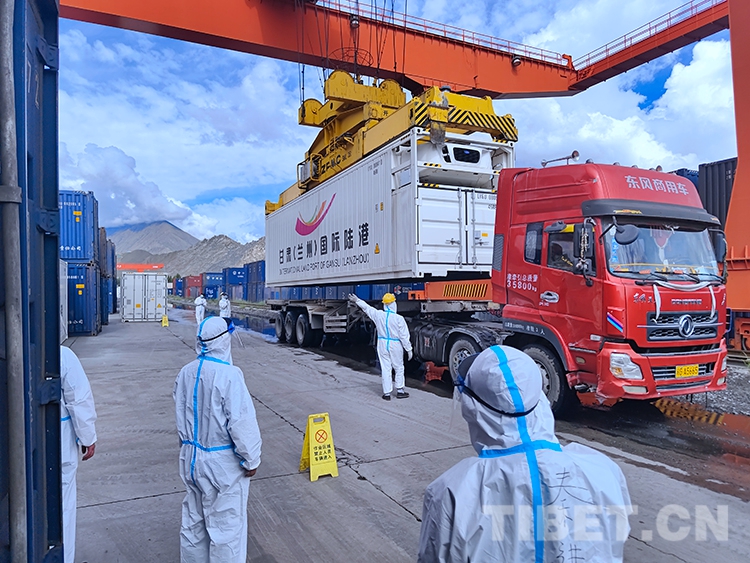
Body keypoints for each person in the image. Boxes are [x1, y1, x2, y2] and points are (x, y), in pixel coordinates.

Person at [418, 345, 631, 563]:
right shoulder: (603, 471)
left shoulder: (452, 492)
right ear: (541, 399)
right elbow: (615, 541)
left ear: (473, 410)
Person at [174, 316, 262, 562]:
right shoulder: (230, 375)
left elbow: (180, 413)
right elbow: (241, 423)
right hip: (222, 464)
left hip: (191, 459)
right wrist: (251, 459)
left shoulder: (185, 372)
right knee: (226, 530)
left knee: (193, 525)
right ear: (223, 341)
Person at [60, 346, 98, 563]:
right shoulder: (63, 355)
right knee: (63, 505)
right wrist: (87, 437)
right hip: (59, 444)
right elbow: (79, 398)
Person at [349, 292, 413, 400]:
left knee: (386, 368)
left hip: (382, 343)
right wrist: (409, 349)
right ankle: (400, 391)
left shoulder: (379, 315)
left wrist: (357, 300)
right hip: (395, 344)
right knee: (399, 367)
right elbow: (404, 336)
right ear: (393, 304)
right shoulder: (399, 318)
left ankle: (387, 393)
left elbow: (367, 308)